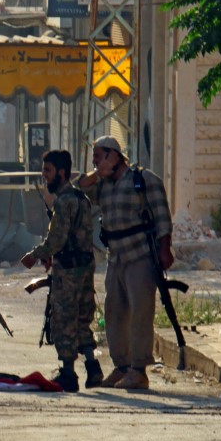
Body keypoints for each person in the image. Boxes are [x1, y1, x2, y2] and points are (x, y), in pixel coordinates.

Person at [76, 136, 174, 390]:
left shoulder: (143, 180)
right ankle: (122, 366)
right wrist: (99, 173)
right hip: (116, 257)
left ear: (114, 155)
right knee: (114, 312)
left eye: (99, 156)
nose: (95, 162)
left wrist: (165, 248)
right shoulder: (104, 185)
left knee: (141, 312)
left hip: (140, 255)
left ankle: (139, 370)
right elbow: (81, 185)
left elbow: (162, 217)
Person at [20, 150, 103, 392]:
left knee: (64, 320)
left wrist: (34, 255)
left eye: (48, 170)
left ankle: (68, 373)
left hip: (68, 270)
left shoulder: (65, 201)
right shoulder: (81, 198)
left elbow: (56, 240)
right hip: (84, 266)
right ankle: (93, 367)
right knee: (80, 320)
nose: (44, 176)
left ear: (62, 172)